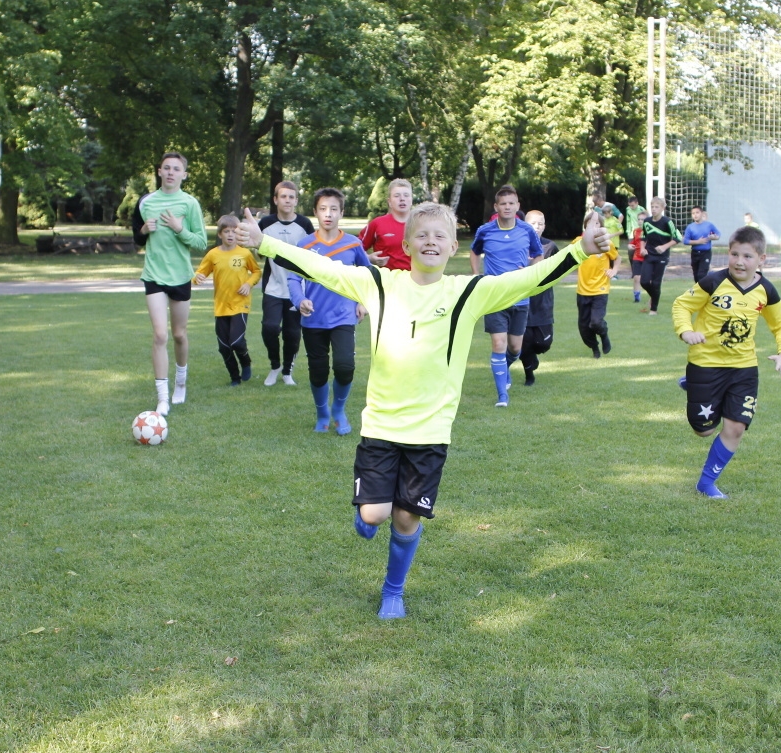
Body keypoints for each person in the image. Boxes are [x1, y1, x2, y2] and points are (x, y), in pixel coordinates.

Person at [238, 203, 611, 619]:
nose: (430, 241)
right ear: (406, 242)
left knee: (406, 517)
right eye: (422, 234)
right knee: (375, 513)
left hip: (431, 431)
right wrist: (264, 243)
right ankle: (366, 515)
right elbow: (321, 267)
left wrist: (579, 251)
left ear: (453, 246)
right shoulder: (378, 283)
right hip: (381, 423)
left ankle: (392, 591)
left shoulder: (469, 292)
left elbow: (528, 279)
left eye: (439, 236)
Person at [673, 226, 781, 498]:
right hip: (706, 363)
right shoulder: (712, 282)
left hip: (744, 368)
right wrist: (686, 331)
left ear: (761, 259)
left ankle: (706, 483)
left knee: (736, 427)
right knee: (703, 430)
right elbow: (682, 305)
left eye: (748, 256)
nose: (740, 261)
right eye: (734, 254)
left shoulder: (765, 291)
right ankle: (693, 385)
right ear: (728, 254)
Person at [288, 187, 371, 435]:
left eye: (334, 209)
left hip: (344, 315)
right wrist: (300, 299)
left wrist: (363, 301)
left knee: (345, 365)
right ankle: (323, 413)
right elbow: (293, 278)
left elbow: (367, 275)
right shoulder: (304, 245)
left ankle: (339, 409)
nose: (328, 214)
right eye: (323, 209)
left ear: (341, 212)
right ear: (315, 212)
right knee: (318, 369)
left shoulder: (353, 244)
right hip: (314, 318)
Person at [131, 153, 208, 416]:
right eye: (167, 168)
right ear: (160, 172)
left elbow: (200, 243)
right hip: (153, 275)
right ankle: (162, 397)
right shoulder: (146, 202)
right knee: (160, 335)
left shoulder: (190, 204)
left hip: (180, 277)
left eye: (177, 169)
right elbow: (137, 239)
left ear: (184, 175)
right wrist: (143, 231)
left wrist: (179, 228)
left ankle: (181, 382)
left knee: (178, 335)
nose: (171, 172)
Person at [470, 186, 544, 406]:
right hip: (494, 296)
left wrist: (530, 270)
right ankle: (502, 395)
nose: (507, 207)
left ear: (518, 206)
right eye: (503, 203)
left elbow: (539, 255)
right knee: (498, 343)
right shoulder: (485, 230)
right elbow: (475, 252)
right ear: (496, 207)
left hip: (520, 297)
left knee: (514, 348)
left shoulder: (527, 231)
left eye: (511, 203)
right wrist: (477, 275)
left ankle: (506, 368)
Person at [258, 181, 314, 386]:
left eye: (292, 197)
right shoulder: (265, 224)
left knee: (292, 333)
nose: (287, 200)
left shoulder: (305, 225)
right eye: (283, 196)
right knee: (270, 328)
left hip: (296, 290)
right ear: (275, 200)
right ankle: (275, 366)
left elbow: (311, 255)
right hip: (273, 287)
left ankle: (287, 370)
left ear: (296, 200)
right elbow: (256, 248)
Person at [195, 215, 261, 385]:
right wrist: (198, 278)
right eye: (227, 231)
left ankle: (246, 363)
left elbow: (256, 272)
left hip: (240, 304)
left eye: (234, 231)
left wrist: (248, 284)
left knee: (237, 342)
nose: (230, 235)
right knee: (224, 347)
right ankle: (234, 378)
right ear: (220, 234)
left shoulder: (244, 253)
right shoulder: (213, 255)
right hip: (221, 306)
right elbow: (200, 273)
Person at [520, 210, 559, 385]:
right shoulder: (518, 245)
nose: (537, 227)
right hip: (521, 301)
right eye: (533, 223)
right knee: (522, 342)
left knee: (544, 343)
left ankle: (533, 358)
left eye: (541, 224)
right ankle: (529, 373)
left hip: (543, 302)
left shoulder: (550, 247)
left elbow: (558, 269)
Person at [574, 210, 619, 358]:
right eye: (590, 224)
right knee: (583, 328)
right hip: (582, 291)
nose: (594, 226)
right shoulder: (577, 242)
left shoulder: (606, 243)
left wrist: (614, 270)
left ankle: (604, 336)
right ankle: (594, 347)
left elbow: (617, 258)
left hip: (600, 289)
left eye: (597, 223)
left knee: (596, 322)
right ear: (585, 226)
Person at [639, 197, 682, 315]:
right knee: (644, 281)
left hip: (662, 256)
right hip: (649, 254)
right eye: (652, 207)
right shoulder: (647, 221)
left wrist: (664, 247)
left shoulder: (667, 222)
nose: (654, 209)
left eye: (656, 207)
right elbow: (643, 237)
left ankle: (654, 309)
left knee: (656, 283)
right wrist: (642, 248)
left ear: (663, 208)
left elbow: (678, 237)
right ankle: (654, 296)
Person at [360, 178, 413, 270]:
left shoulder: (420, 224)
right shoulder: (377, 224)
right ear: (389, 202)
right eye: (397, 196)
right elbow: (355, 247)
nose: (402, 199)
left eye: (406, 195)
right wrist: (368, 258)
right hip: (385, 280)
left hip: (415, 280)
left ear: (411, 199)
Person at [682, 205, 721, 282]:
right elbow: (685, 241)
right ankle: (700, 290)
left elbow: (718, 235)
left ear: (702, 214)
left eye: (697, 212)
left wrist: (713, 237)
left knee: (701, 274)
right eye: (693, 213)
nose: (695, 215)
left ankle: (704, 290)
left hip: (705, 253)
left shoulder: (709, 225)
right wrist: (698, 242)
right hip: (695, 253)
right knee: (696, 275)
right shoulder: (690, 227)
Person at [629, 211, 648, 303]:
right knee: (636, 278)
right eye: (639, 219)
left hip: (647, 258)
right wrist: (630, 246)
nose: (640, 221)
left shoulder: (649, 231)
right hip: (637, 257)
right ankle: (636, 296)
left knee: (646, 279)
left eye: (643, 219)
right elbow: (633, 242)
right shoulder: (636, 231)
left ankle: (652, 296)